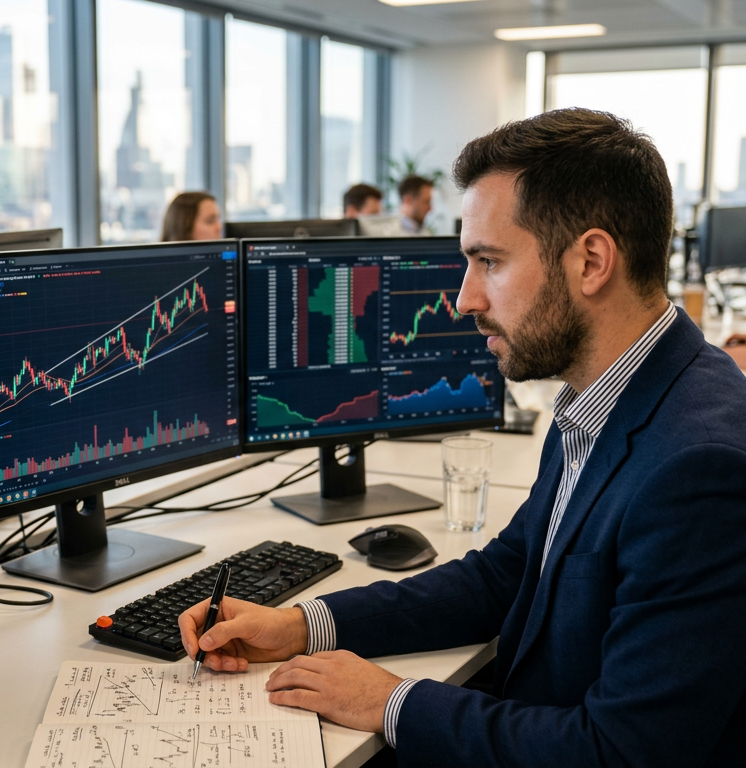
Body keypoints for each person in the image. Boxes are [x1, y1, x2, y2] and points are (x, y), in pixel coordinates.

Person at [179, 108, 746, 766]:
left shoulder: (698, 466)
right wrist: (302, 624)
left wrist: (391, 701)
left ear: (591, 261)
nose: (464, 298)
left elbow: (618, 753)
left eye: (488, 262)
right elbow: (506, 576)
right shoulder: (610, 396)